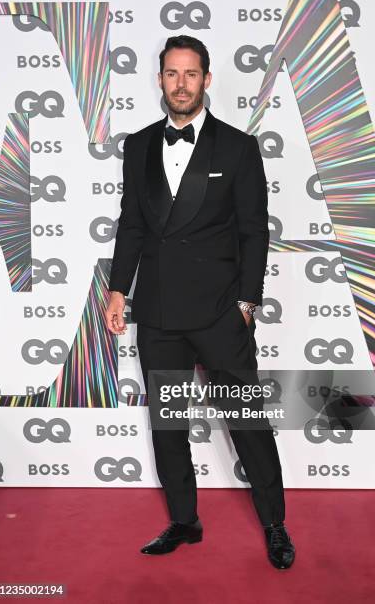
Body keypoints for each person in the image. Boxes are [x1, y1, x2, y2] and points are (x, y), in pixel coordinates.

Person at [106, 35, 295, 570]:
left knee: (246, 423)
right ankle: (185, 521)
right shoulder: (140, 145)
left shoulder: (237, 147)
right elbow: (134, 225)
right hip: (160, 313)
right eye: (171, 73)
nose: (181, 83)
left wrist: (247, 304)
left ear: (207, 79)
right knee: (168, 424)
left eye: (191, 74)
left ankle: (275, 524)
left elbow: (255, 232)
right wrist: (120, 288)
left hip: (218, 313)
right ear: (160, 79)